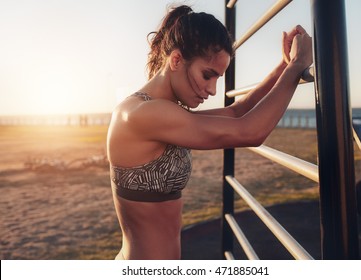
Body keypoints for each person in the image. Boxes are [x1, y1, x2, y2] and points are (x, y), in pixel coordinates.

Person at [107, 5, 312, 260]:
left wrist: (284, 65)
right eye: (207, 75)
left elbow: (239, 112)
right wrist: (298, 66)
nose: (213, 90)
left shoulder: (165, 111)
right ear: (176, 60)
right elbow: (250, 131)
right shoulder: (141, 114)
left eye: (217, 78)